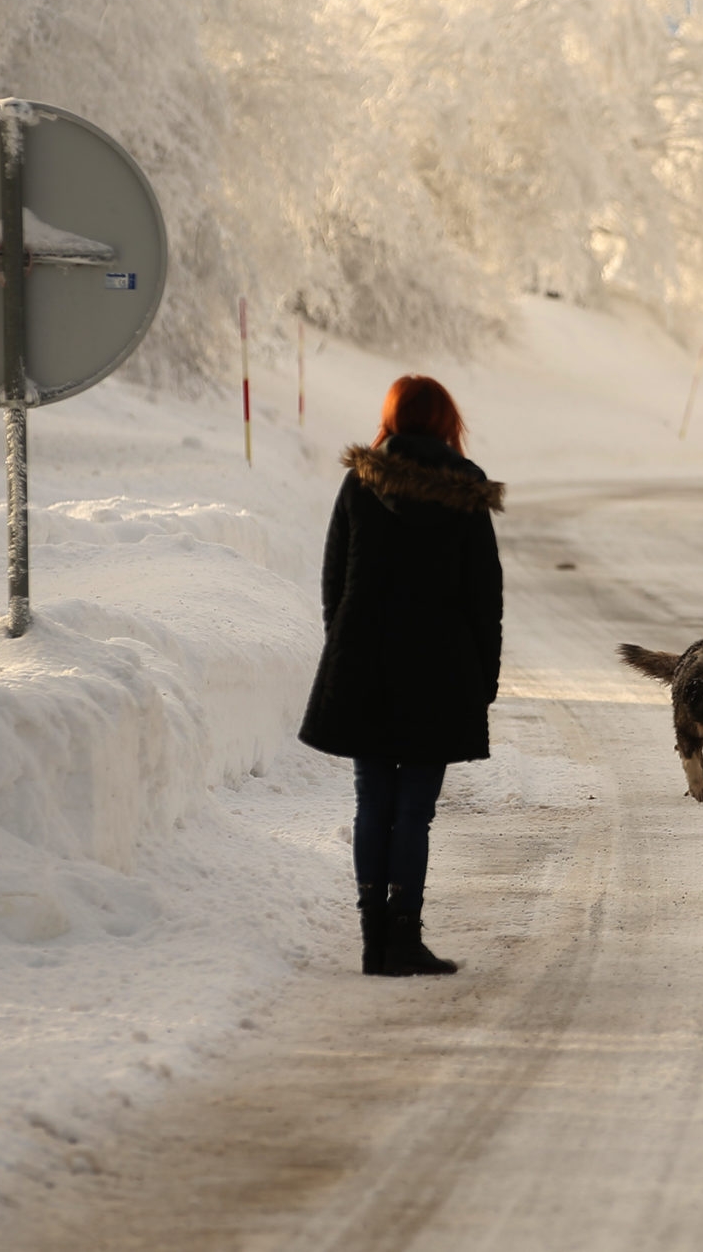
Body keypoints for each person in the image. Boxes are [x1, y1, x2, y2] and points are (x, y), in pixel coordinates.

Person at [298, 375, 503, 977]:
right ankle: (403, 936)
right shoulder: (464, 492)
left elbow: (334, 576)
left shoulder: (361, 480)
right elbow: (483, 595)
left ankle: (372, 942)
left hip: (364, 663)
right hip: (438, 670)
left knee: (372, 803)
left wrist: (346, 645)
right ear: (446, 423)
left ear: (392, 417)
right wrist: (482, 678)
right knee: (415, 811)